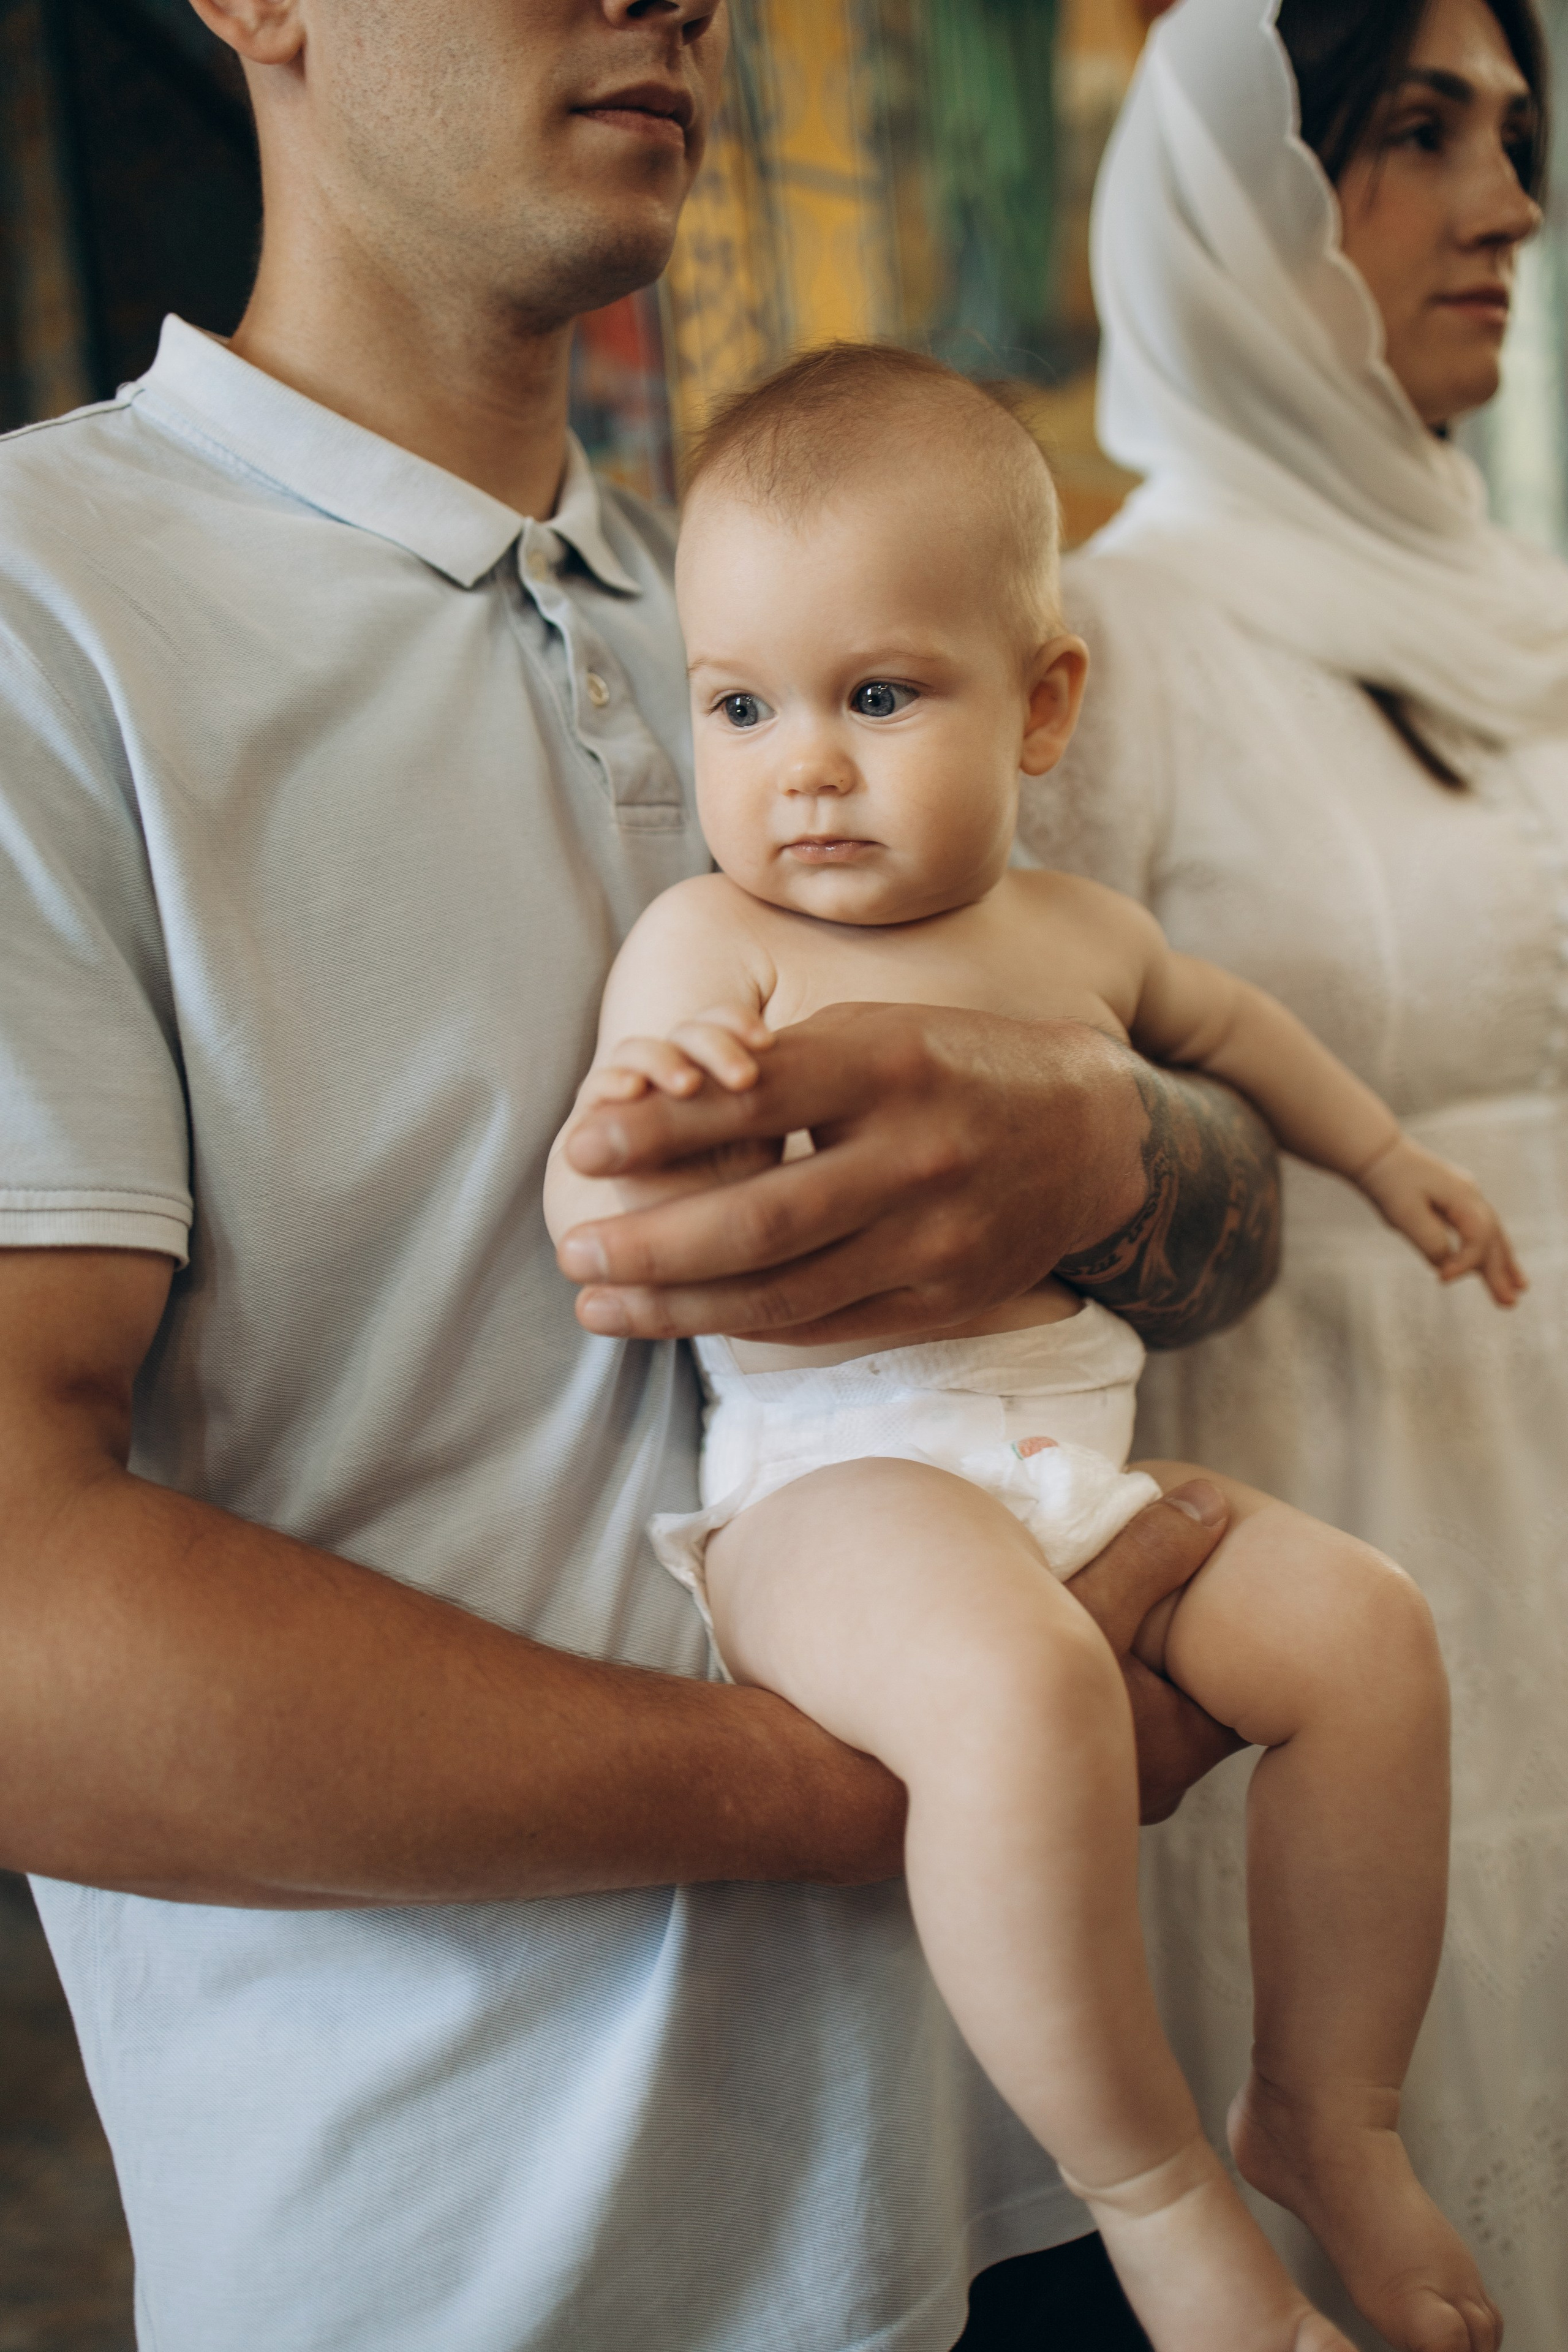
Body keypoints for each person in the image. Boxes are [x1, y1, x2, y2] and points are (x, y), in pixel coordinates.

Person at [0, 2, 1290, 2346]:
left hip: (1038, 2181)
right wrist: (872, 1769)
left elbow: (1202, 1181)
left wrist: (1107, 1147)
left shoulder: (778, 616)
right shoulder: (40, 616)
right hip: (493, 2276)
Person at [546, 341, 1515, 2352]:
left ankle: (1326, 2110)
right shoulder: (715, 945)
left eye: (877, 697)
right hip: (838, 1490)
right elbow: (595, 1200)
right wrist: (657, 1109)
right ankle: (1155, 2197)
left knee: (1368, 1636)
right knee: (1013, 1691)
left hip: (1076, 1471)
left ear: (1043, 701)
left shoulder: (1079, 937)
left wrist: (1390, 1156)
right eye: (741, 705)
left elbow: (1241, 1046)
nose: (800, 763)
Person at [1025, 0, 1568, 2341]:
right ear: (1250, 204)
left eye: (1521, 136)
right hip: (1328, 1551)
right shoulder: (1111, 647)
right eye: (1422, 133)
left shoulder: (1533, 612)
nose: (1513, 203)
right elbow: (1042, 1147)